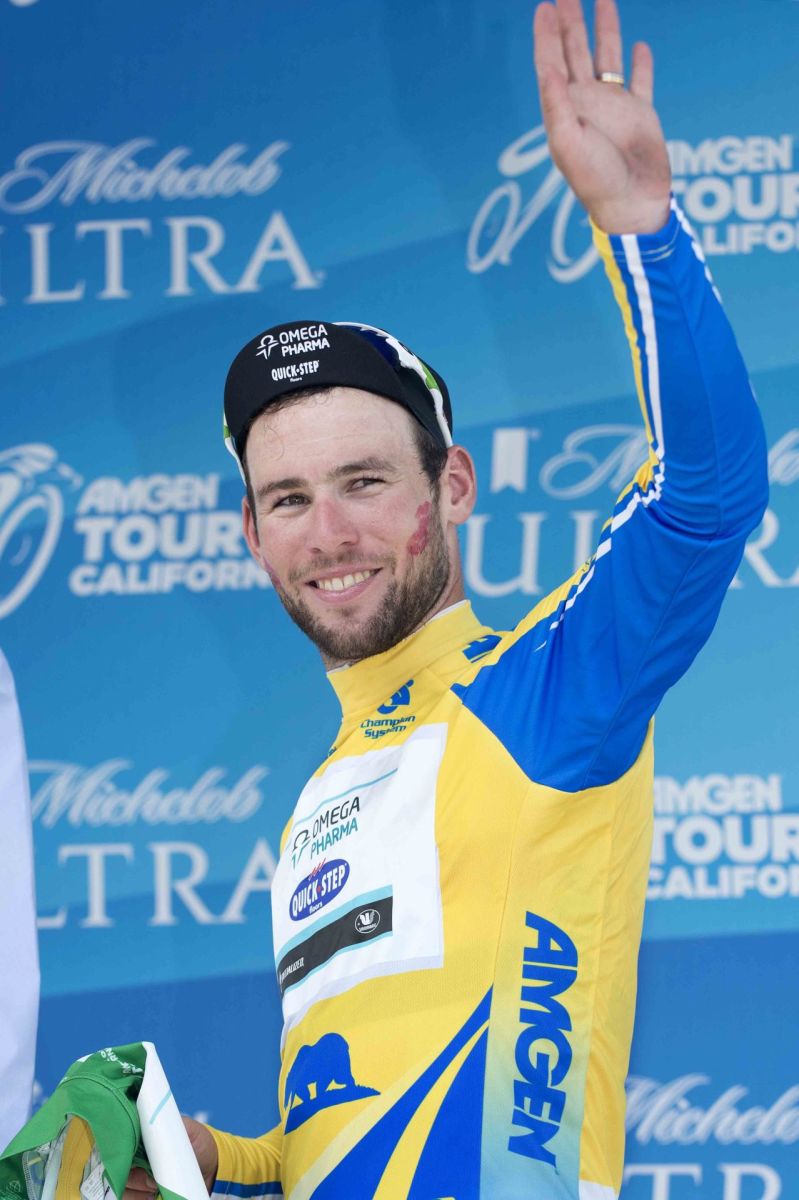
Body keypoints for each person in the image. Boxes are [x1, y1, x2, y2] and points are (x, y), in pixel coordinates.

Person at [126, 0, 768, 1196]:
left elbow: (708, 495)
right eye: (288, 499)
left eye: (365, 481)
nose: (330, 534)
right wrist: (206, 1159)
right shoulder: (322, 793)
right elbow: (342, 1128)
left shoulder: (547, 691)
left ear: (453, 486)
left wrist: (639, 230)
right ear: (252, 536)